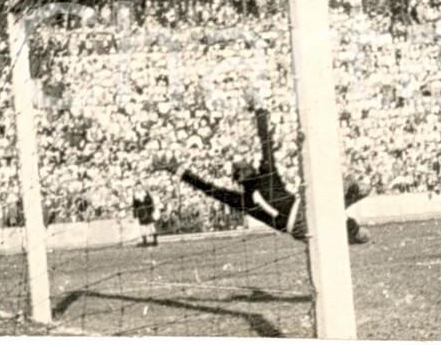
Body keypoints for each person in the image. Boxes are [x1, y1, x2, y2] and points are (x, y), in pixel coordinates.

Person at [152, 89, 370, 245]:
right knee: (351, 187)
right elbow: (265, 141)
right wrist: (259, 109)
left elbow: (207, 188)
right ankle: (352, 221)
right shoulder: (267, 176)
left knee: (340, 227)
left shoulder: (243, 200)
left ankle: (351, 229)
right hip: (304, 210)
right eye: (246, 164)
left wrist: (177, 170)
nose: (249, 163)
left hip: (299, 231)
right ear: (248, 172)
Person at [132, 182, 159, 247]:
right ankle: (145, 242)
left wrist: (151, 211)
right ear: (136, 188)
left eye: (140, 187)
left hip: (148, 212)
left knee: (151, 225)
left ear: (142, 187)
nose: (139, 188)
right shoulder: (135, 195)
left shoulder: (146, 193)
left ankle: (155, 241)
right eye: (138, 187)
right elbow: (134, 206)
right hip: (141, 213)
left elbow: (150, 202)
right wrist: (135, 215)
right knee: (142, 227)